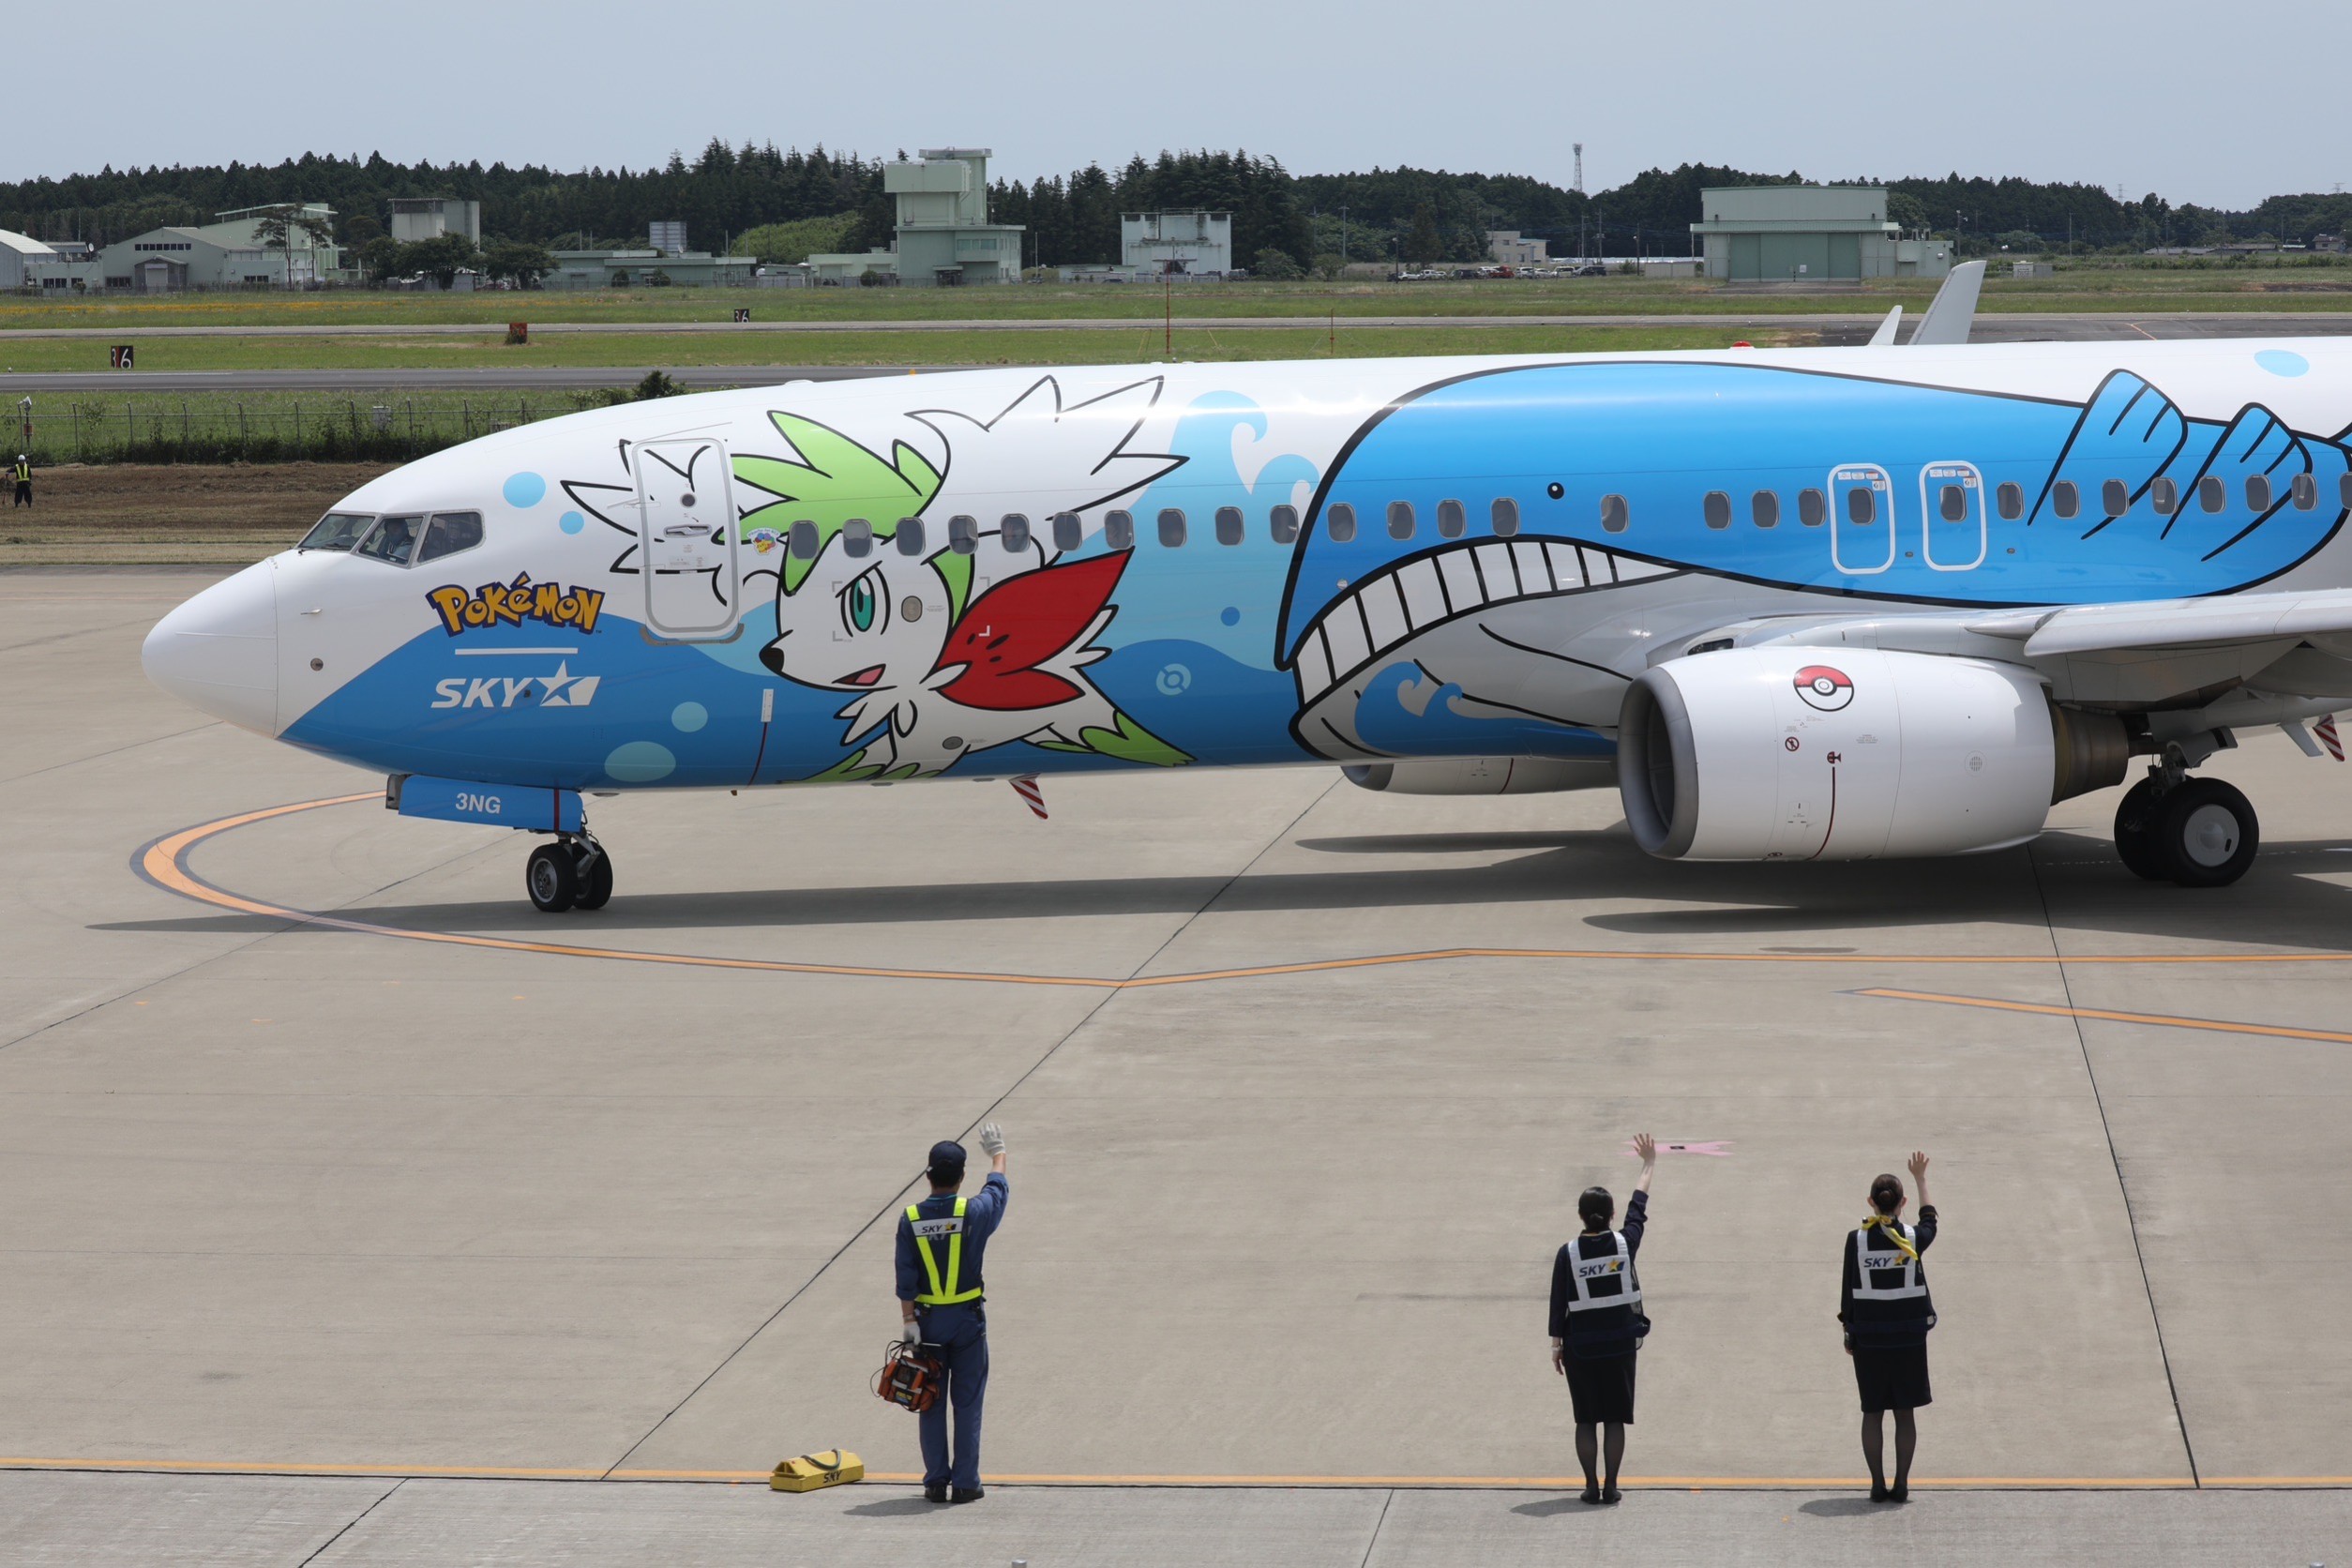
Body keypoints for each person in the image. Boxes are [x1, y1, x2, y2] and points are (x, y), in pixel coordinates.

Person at [895, 1122, 1007, 1504]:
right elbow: (997, 1192)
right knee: (968, 1400)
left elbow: (905, 1276)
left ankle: (934, 1482)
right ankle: (965, 1483)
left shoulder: (910, 1218)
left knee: (929, 1399)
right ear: (961, 1177)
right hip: (967, 1321)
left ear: (928, 1176)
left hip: (926, 1323)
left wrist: (909, 1321)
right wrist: (998, 1155)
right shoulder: (972, 1212)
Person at [1548, 1132, 1655, 1504]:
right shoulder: (1626, 1244)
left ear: (1580, 1215)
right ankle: (1611, 1486)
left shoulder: (1569, 1253)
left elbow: (1557, 1301)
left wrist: (1556, 1345)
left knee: (1585, 1418)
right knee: (1614, 1418)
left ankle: (1590, 1486)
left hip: (1581, 1347)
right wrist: (1648, 1163)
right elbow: (1638, 1207)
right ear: (1611, 1215)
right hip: (1621, 1344)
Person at [1840, 1151, 1937, 1501]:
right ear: (1902, 1202)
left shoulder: (1857, 1239)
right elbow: (1931, 1222)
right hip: (1909, 1338)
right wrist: (1921, 1179)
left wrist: (1849, 1331)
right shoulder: (1912, 1237)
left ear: (1871, 1201)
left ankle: (1877, 1485)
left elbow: (1848, 1288)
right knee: (1904, 1412)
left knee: (1872, 1411)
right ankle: (1902, 1485)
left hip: (1870, 1340)